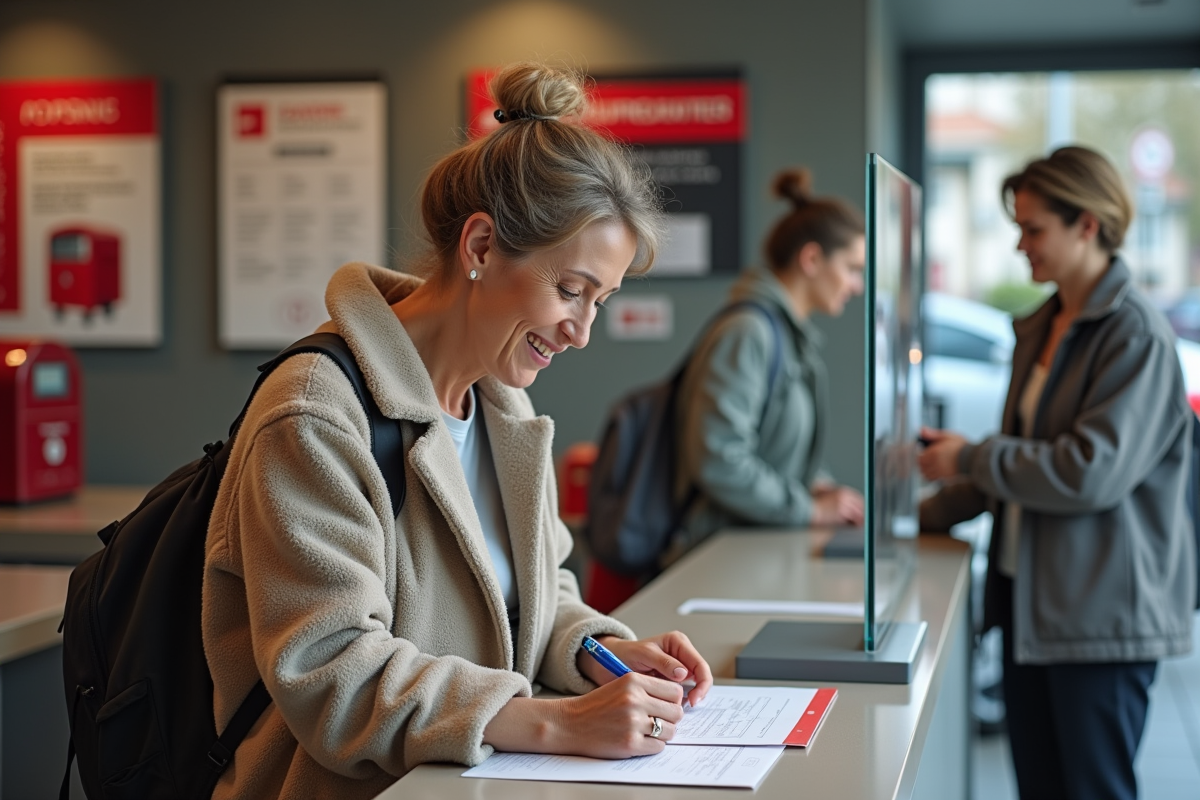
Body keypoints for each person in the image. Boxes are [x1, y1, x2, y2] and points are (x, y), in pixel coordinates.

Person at [202, 62, 713, 800]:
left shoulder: (502, 407)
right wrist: (558, 724)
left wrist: (602, 653)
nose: (581, 332)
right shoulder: (314, 413)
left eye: (599, 301)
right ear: (479, 248)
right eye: (570, 291)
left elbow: (537, 599)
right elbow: (334, 671)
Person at [918, 145, 1195, 800]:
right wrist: (909, 514)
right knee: (1039, 785)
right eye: (1018, 227)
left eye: (1034, 228)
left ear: (1088, 226)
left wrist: (968, 455)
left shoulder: (1136, 336)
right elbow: (1019, 464)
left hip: (1099, 620)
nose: (1021, 245)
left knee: (1092, 789)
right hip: (1030, 603)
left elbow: (1086, 472)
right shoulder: (1042, 327)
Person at [670, 168, 866, 563]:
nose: (856, 285)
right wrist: (809, 510)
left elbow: (775, 450)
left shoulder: (784, 334)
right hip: (714, 561)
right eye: (851, 268)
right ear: (811, 258)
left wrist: (816, 487)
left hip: (748, 553)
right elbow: (720, 458)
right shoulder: (749, 332)